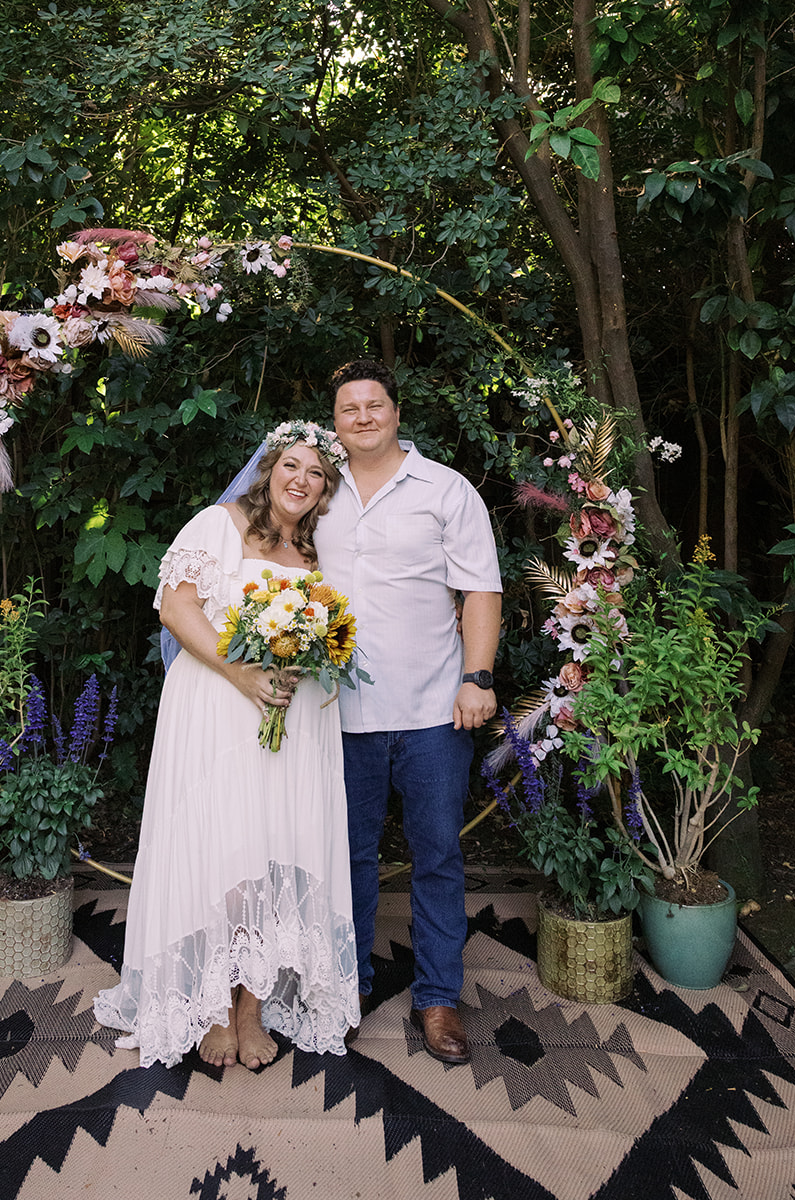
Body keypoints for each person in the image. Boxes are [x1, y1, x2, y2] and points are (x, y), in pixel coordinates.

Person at [93, 420, 360, 1070]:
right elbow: (175, 608)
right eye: (291, 466)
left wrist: (318, 668)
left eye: (315, 474)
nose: (300, 480)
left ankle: (252, 1007)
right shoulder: (217, 524)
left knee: (272, 851)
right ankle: (212, 1007)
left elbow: (330, 635)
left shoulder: (316, 554)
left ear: (325, 489)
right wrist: (240, 671)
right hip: (216, 707)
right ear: (269, 467)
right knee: (222, 851)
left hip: (288, 724)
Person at [313, 360, 503, 1066]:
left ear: (395, 412)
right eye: (347, 408)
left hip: (431, 707)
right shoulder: (314, 488)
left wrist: (476, 677)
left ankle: (436, 998)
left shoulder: (444, 490)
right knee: (346, 858)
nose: (361, 416)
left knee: (437, 855)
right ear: (333, 421)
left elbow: (480, 590)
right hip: (333, 709)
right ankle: (346, 989)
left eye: (373, 404)